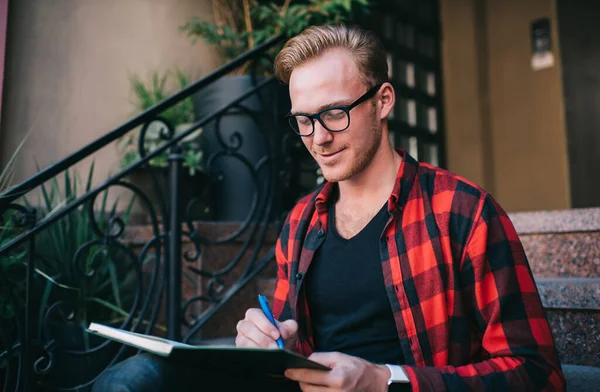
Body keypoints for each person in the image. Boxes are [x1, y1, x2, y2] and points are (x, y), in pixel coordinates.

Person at [93, 24, 565, 391]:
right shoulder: (302, 221)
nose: (318, 138)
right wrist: (272, 345)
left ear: (383, 101)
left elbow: (538, 373)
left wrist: (388, 380)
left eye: (334, 113)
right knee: (132, 380)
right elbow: (285, 352)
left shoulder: (464, 213)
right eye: (303, 120)